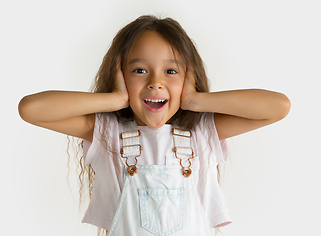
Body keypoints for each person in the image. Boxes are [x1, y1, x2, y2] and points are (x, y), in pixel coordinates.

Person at [18, 15, 290, 236]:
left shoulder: (201, 134)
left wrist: (197, 100)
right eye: (139, 70)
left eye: (171, 71)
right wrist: (114, 99)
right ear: (120, 75)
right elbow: (31, 109)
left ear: (189, 77)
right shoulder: (108, 134)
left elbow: (278, 107)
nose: (155, 82)